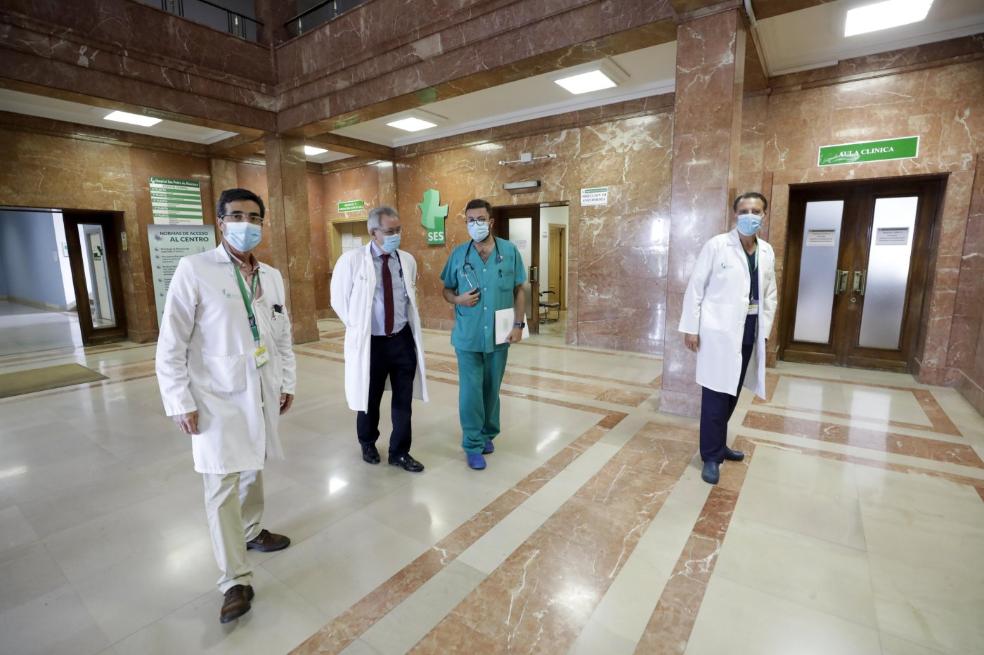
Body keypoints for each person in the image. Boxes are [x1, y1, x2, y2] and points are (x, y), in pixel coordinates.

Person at [155, 188, 296, 624]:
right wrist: (180, 400)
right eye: (236, 216)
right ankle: (233, 579)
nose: (246, 224)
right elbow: (171, 342)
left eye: (254, 217)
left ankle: (252, 530)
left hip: (259, 388)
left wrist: (286, 380)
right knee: (220, 486)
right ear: (220, 221)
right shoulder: (194, 269)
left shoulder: (270, 275)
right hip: (214, 396)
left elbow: (282, 334)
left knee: (254, 466)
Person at [680, 191, 777, 485]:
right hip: (717, 333)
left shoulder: (767, 251)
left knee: (732, 393)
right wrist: (691, 327)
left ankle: (719, 445)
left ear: (764, 215)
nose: (750, 215)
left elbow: (770, 293)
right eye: (744, 210)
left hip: (749, 331)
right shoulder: (717, 246)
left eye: (756, 211)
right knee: (714, 396)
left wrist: (766, 331)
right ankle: (710, 456)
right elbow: (696, 287)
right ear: (735, 215)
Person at [330, 205, 428, 472]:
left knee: (403, 400)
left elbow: (409, 296)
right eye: (389, 231)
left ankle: (400, 451)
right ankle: (368, 442)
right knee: (368, 397)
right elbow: (338, 300)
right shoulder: (350, 261)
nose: (396, 235)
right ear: (373, 231)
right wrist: (358, 327)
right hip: (370, 342)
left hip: (401, 339)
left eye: (398, 230)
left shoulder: (406, 259)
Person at [441, 198, 527, 470]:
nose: (475, 224)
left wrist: (519, 325)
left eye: (480, 219)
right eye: (470, 220)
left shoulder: (510, 251)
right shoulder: (458, 254)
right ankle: (472, 443)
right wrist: (458, 300)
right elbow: (446, 289)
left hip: (500, 334)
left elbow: (520, 290)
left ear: (490, 221)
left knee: (492, 389)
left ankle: (488, 433)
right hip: (468, 335)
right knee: (470, 392)